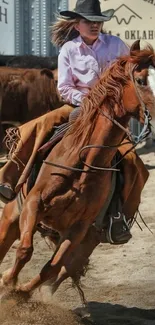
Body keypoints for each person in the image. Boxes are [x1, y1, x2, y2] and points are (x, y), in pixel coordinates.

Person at [0, 0, 148, 243]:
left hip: (111, 114)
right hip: (78, 106)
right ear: (77, 25)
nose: (94, 26)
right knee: (42, 124)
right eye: (89, 22)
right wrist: (89, 100)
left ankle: (118, 217)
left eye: (98, 22)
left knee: (132, 161)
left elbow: (132, 75)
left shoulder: (116, 45)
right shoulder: (69, 49)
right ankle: (9, 175)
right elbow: (64, 87)